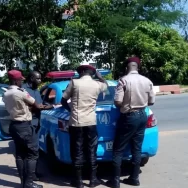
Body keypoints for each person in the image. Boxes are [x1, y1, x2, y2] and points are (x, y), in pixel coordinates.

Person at [106, 57, 155, 188]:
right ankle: (134, 178)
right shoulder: (147, 81)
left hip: (129, 116)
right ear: (137, 67)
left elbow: (117, 102)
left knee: (118, 149)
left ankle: (115, 181)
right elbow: (151, 102)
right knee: (137, 148)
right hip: (142, 115)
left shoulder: (123, 80)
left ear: (127, 67)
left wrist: (125, 106)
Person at [61, 65, 108, 188]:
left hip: (76, 122)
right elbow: (106, 86)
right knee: (92, 150)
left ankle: (78, 181)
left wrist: (71, 111)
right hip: (91, 122)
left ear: (81, 72)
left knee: (77, 151)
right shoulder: (97, 84)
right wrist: (101, 77)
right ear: (91, 73)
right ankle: (93, 180)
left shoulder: (74, 83)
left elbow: (63, 100)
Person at [2, 69, 43, 188]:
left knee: (20, 154)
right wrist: (48, 106)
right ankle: (29, 183)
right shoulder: (21, 92)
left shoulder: (6, 93)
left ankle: (23, 182)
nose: (21, 82)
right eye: (20, 80)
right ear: (15, 80)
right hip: (24, 125)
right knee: (32, 153)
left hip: (14, 125)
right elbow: (36, 105)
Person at [22, 71, 53, 180]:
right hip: (28, 123)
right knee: (30, 150)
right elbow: (26, 107)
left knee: (35, 149)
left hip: (37, 123)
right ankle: (29, 176)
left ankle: (33, 172)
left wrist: (45, 106)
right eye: (38, 79)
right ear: (31, 78)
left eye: (40, 79)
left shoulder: (36, 90)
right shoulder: (24, 90)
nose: (40, 81)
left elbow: (39, 104)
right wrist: (42, 107)